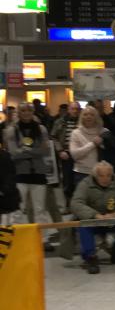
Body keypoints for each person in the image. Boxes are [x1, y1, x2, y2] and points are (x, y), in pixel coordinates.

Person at [4, 103, 57, 246]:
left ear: (32, 112)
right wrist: (33, 151)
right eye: (22, 110)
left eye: (28, 110)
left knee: (40, 209)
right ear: (18, 113)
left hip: (39, 173)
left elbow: (45, 150)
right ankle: (17, 238)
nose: (26, 113)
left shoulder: (41, 129)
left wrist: (26, 151)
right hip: (20, 173)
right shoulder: (11, 131)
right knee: (19, 208)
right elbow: (13, 153)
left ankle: (43, 239)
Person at [69, 161, 115, 274]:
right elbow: (76, 203)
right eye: (101, 175)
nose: (105, 179)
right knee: (84, 226)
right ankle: (91, 257)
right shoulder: (85, 184)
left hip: (113, 219)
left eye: (108, 175)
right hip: (93, 219)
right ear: (95, 175)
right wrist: (95, 215)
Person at [69, 106, 107, 186]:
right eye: (85, 114)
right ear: (81, 117)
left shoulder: (104, 132)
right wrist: (93, 144)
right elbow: (75, 155)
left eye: (92, 115)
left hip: (101, 173)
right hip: (81, 173)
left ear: (96, 117)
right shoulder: (76, 133)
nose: (88, 117)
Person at [51, 102, 81, 199]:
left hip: (80, 154)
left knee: (79, 180)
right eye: (73, 109)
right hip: (66, 154)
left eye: (77, 109)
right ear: (69, 110)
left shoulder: (82, 122)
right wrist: (60, 151)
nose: (75, 111)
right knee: (67, 180)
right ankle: (68, 203)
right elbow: (53, 137)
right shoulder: (60, 122)